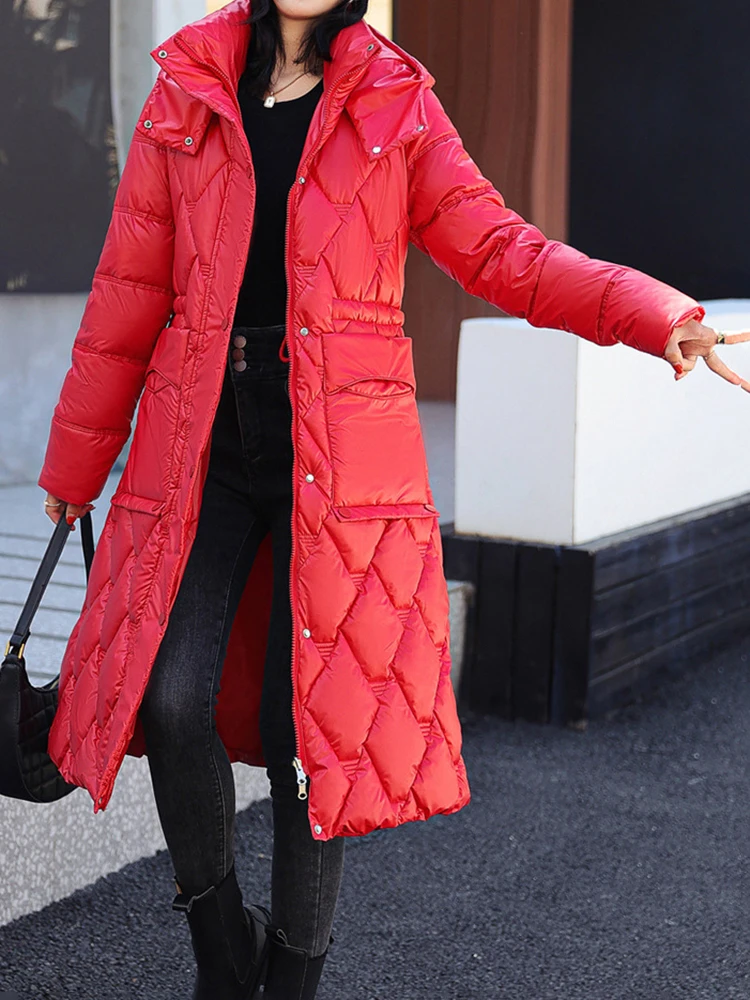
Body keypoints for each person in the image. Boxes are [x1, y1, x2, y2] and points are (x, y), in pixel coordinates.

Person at [38, 1, 750, 998]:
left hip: (337, 459)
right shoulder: (189, 85)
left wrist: (651, 312)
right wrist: (74, 469)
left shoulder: (395, 98)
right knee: (171, 695)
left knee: (304, 726)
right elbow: (129, 290)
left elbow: (504, 250)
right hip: (201, 442)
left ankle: (292, 975)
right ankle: (221, 948)